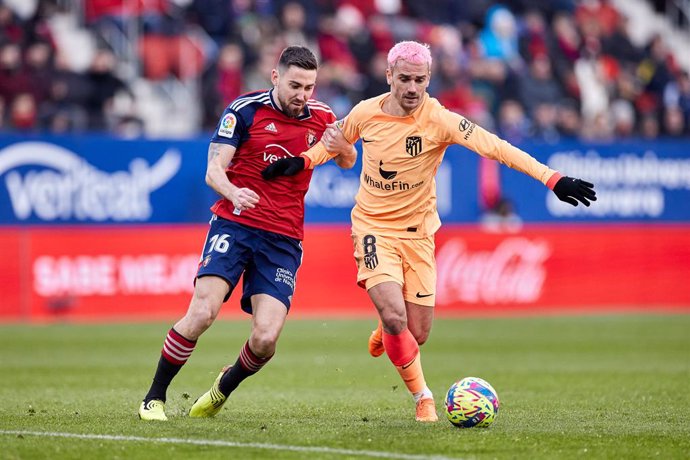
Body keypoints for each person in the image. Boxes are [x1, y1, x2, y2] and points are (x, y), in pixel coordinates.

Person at [262, 41, 596, 422]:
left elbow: (497, 148)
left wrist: (553, 179)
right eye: (404, 78)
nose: (411, 88)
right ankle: (424, 397)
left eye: (419, 80)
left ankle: (387, 330)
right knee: (395, 317)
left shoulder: (440, 120)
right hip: (372, 228)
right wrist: (301, 162)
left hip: (419, 235)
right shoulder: (365, 113)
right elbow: (333, 143)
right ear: (389, 76)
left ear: (429, 80)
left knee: (415, 334)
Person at [138, 45, 356, 421]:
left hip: (284, 239)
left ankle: (223, 388)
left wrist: (343, 147)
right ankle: (154, 397)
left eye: (309, 87)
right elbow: (213, 170)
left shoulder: (322, 116)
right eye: (295, 85)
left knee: (266, 339)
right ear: (275, 77)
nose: (302, 95)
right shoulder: (244, 110)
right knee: (203, 311)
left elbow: (348, 160)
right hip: (235, 224)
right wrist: (233, 191)